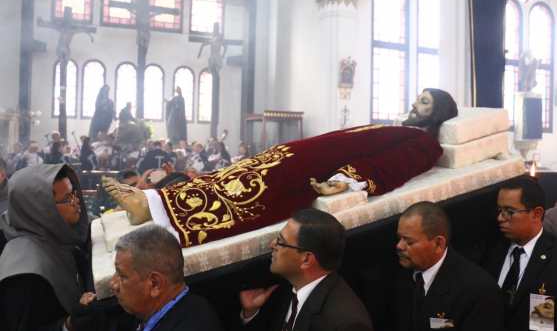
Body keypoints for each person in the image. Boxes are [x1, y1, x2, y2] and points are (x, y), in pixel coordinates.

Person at [103, 89, 458, 248]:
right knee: (230, 176)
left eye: (425, 101)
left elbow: (390, 167)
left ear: (438, 112)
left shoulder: (426, 144)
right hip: (300, 155)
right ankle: (153, 202)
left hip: (316, 168)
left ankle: (156, 211)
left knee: (246, 194)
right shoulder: (407, 128)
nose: (415, 102)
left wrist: (346, 181)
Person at [237, 209, 373, 331]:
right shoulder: (287, 287)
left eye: (280, 241)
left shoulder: (345, 323)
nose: (272, 245)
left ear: (306, 259)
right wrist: (251, 312)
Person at [0, 164, 94, 330]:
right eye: (67, 198)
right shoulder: (25, 275)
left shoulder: (54, 235)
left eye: (74, 193)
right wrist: (68, 324)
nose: (76, 201)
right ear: (41, 209)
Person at [392, 201, 505, 331]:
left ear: (438, 244)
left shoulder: (478, 291)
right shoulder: (402, 275)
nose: (399, 246)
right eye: (399, 238)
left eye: (409, 241)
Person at [111, 225, 223, 331]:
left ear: (155, 284)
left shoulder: (194, 325)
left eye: (122, 276)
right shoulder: (145, 313)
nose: (113, 284)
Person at [482, 176, 557, 331]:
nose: (500, 218)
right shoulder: (491, 248)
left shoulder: (553, 258)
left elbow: (544, 325)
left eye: (509, 212)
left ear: (536, 214)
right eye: (499, 210)